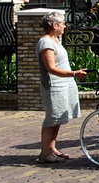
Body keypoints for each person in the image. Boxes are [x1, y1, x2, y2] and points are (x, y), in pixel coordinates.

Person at [36, 12, 88, 163]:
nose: (65, 26)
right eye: (63, 23)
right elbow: (51, 68)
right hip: (54, 86)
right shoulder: (45, 43)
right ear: (55, 25)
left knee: (58, 118)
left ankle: (52, 148)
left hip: (64, 84)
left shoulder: (56, 40)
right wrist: (73, 73)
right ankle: (45, 152)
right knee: (52, 119)